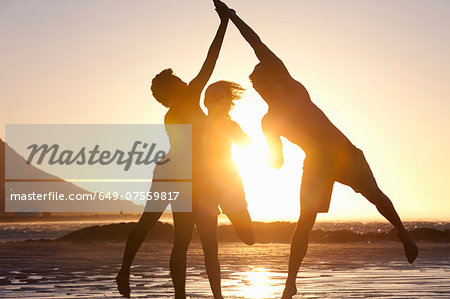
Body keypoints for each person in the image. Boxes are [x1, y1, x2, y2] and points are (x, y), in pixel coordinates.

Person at [213, 1, 419, 298]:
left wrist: (232, 17)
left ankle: (403, 234)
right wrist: (252, 148)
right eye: (255, 85)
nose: (259, 87)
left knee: (375, 195)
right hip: (317, 164)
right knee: (304, 222)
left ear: (273, 75)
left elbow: (255, 43)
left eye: (261, 80)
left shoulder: (292, 89)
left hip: (343, 153)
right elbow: (277, 162)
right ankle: (290, 283)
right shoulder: (269, 121)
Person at [116, 5, 230, 298]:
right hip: (184, 175)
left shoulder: (174, 110)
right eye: (178, 81)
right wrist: (224, 23)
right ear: (173, 91)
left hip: (180, 172)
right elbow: (211, 60)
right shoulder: (189, 99)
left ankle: (127, 272)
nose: (184, 81)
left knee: (162, 231)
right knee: (189, 240)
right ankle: (137, 277)